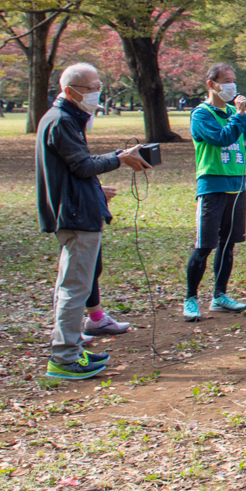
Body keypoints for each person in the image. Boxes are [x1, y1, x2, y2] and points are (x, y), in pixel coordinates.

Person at [35, 63, 151, 380]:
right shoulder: (60, 121)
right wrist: (120, 158)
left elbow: (73, 171)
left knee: (72, 287)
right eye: (91, 88)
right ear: (70, 91)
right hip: (75, 217)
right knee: (74, 289)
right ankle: (64, 358)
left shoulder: (67, 119)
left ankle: (71, 350)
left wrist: (96, 191)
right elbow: (83, 166)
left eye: (99, 86)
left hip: (78, 210)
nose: (96, 94)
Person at [185, 62, 246, 322]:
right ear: (211, 84)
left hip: (237, 186)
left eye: (234, 81)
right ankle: (191, 298)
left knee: (228, 244)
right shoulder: (201, 114)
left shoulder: (236, 112)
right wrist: (239, 117)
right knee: (204, 245)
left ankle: (219, 295)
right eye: (226, 81)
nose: (232, 86)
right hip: (212, 186)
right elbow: (221, 138)